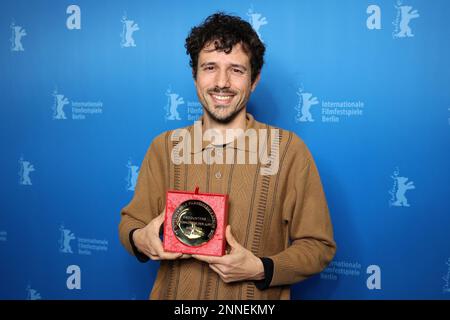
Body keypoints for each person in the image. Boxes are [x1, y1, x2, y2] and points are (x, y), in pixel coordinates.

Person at [119, 12, 336, 300]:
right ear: (195, 76)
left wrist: (261, 268)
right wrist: (139, 238)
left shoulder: (288, 150)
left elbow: (319, 246)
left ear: (254, 80)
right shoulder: (165, 147)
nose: (222, 82)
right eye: (210, 67)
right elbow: (131, 222)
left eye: (236, 70)